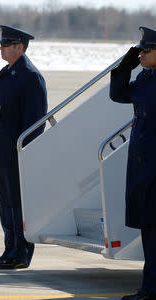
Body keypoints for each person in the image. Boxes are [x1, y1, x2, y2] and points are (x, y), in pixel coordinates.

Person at [0, 25, 47, 269]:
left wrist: (24, 152)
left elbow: (36, 122)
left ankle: (21, 253)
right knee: (5, 201)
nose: (2, 48)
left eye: (6, 45)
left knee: (18, 203)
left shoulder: (30, 75)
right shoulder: (8, 72)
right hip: (1, 149)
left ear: (19, 47)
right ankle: (9, 249)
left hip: (17, 152)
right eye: (1, 44)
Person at [109, 26, 156, 300]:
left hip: (153, 168)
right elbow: (120, 95)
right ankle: (148, 289)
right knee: (148, 231)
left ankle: (150, 290)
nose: (141, 54)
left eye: (146, 50)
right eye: (140, 49)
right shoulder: (146, 77)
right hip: (143, 167)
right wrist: (124, 67)